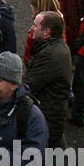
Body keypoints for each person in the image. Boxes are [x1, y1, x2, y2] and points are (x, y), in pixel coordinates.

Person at [24, 11, 73, 147]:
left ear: (46, 32)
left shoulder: (49, 55)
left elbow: (29, 84)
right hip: (54, 113)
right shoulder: (58, 47)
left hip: (48, 115)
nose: (31, 29)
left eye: (35, 26)